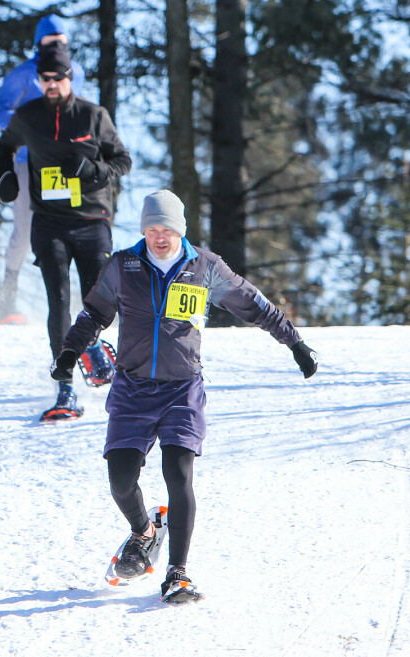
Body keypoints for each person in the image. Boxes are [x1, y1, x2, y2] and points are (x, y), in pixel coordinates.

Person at [51, 190, 320, 603]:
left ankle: (178, 572)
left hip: (182, 390)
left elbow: (253, 304)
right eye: (152, 229)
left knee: (178, 475)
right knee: (121, 479)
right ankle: (143, 531)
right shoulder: (123, 265)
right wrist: (70, 352)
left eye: (168, 229)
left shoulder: (204, 266)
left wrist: (295, 342)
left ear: (181, 230)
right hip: (132, 387)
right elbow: (94, 313)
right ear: (144, 231)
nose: (160, 237)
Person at [0, 42, 132, 420]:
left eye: (58, 78)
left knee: (97, 301)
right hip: (49, 221)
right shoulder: (28, 115)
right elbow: (4, 146)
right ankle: (65, 385)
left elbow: (123, 161)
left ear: (70, 78)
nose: (51, 84)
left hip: (92, 221)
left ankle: (94, 344)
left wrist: (94, 171)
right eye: (44, 78)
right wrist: (4, 176)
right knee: (58, 299)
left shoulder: (93, 115)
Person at [0, 15, 86, 322]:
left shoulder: (77, 72)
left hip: (64, 167)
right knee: (25, 230)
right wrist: (29, 130)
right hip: (27, 164)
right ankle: (9, 296)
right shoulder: (22, 75)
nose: (56, 46)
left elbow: (82, 111)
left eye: (62, 41)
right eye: (50, 41)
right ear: (37, 44)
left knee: (69, 230)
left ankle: (68, 303)